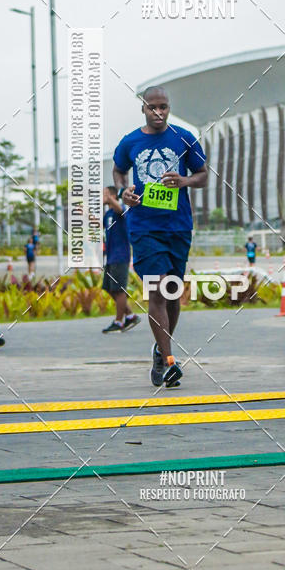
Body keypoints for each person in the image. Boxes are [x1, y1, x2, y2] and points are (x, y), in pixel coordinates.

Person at [113, 86, 207, 388]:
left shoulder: (184, 138)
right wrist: (123, 191)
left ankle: (160, 349)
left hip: (178, 226)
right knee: (157, 289)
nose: (158, 112)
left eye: (163, 107)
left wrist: (185, 180)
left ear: (169, 108)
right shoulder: (130, 141)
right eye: (152, 107)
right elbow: (118, 171)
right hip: (143, 227)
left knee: (172, 292)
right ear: (143, 108)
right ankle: (168, 361)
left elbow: (203, 174)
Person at [101, 186, 139, 334]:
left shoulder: (121, 210)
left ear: (111, 195)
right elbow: (101, 225)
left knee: (118, 289)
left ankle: (119, 322)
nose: (101, 196)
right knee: (109, 288)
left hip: (120, 256)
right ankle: (130, 316)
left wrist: (111, 198)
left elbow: (120, 208)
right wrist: (85, 214)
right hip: (110, 257)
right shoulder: (108, 214)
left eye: (104, 194)